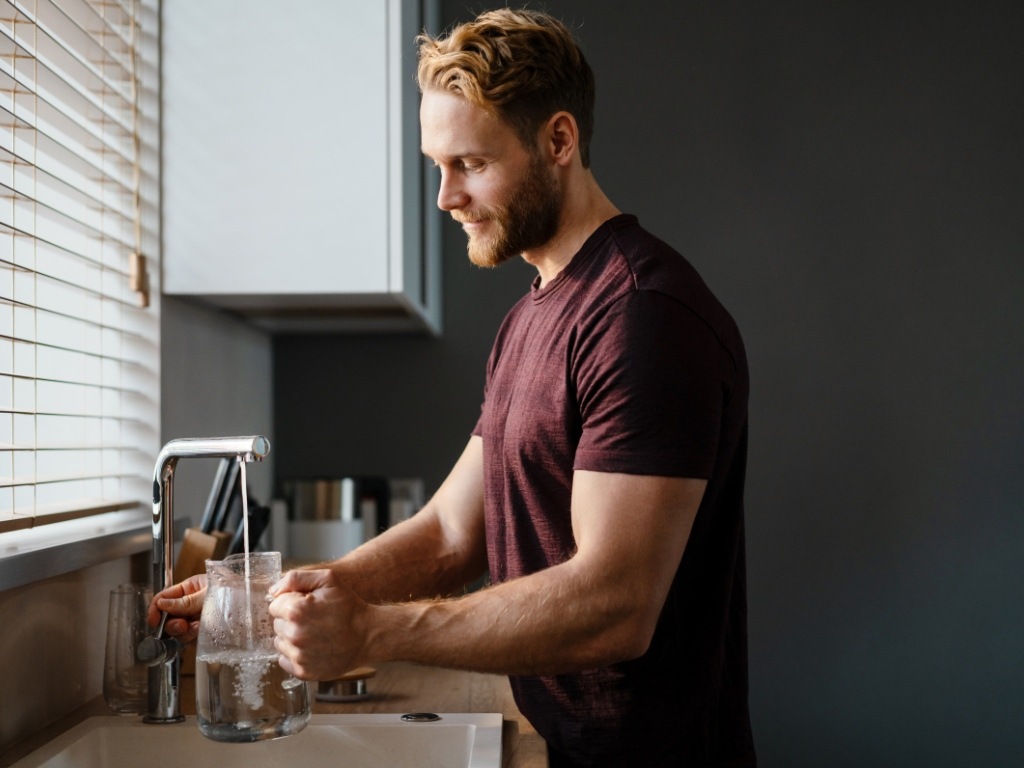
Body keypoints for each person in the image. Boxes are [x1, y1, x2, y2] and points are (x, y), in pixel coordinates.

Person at [151, 8, 755, 767]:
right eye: (438, 166)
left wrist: (373, 632)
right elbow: (450, 533)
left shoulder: (641, 316)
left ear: (559, 141)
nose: (445, 197)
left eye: (469, 164)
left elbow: (616, 604)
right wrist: (280, 604)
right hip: (561, 743)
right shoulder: (532, 315)